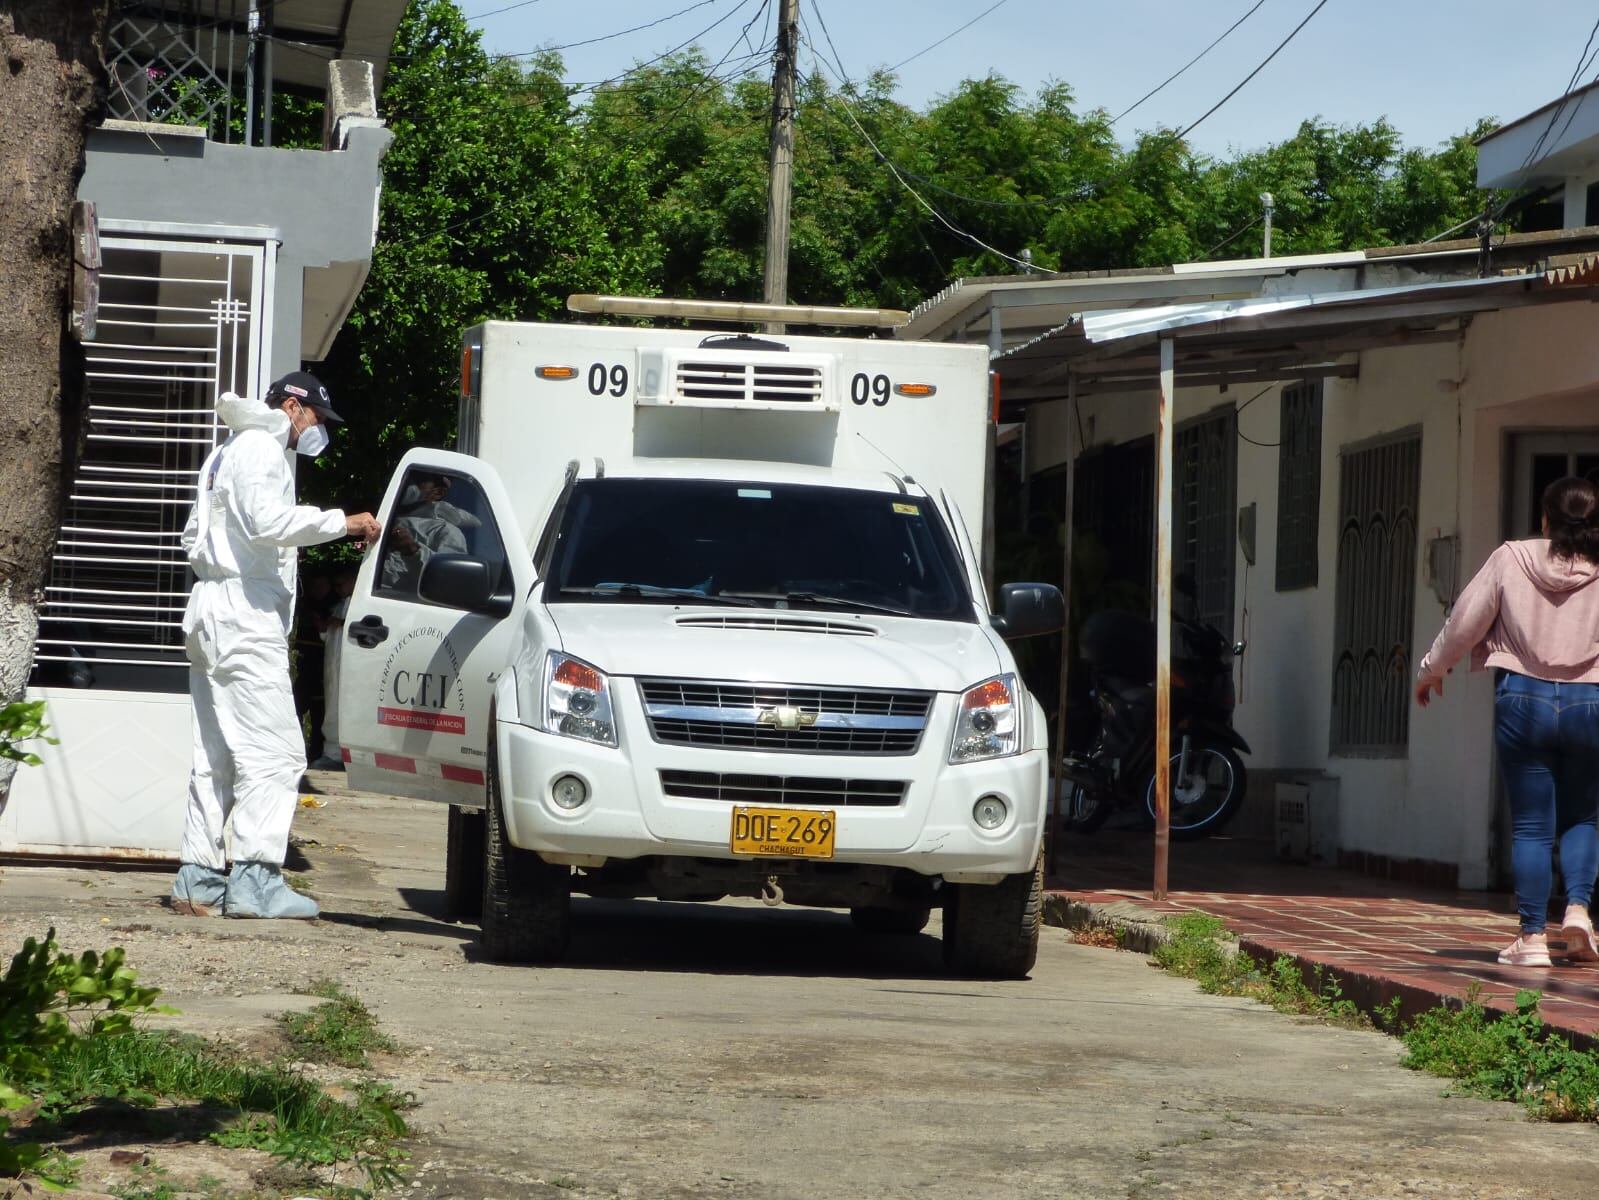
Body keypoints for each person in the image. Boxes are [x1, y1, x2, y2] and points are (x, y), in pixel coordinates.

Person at [170, 372, 380, 920]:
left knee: (214, 754)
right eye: (314, 418)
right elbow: (268, 523)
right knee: (279, 753)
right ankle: (256, 881)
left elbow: (193, 535)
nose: (316, 432)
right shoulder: (263, 447)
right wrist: (343, 521)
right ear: (292, 405)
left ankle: (198, 879)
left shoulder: (223, 453)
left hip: (210, 607)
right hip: (244, 617)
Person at [1415, 476, 1599, 967]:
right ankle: (1579, 910)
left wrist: (1432, 670)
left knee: (1534, 827)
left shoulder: (1512, 557)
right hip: (1591, 701)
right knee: (1584, 815)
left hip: (1524, 696)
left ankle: (1533, 937)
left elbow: (1464, 622)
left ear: (1545, 519)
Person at [311, 566, 358, 771]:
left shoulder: (360, 604)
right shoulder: (338, 606)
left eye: (341, 584)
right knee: (333, 709)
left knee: (351, 708)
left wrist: (341, 623)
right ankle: (332, 753)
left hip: (353, 668)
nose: (338, 589)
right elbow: (327, 635)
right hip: (333, 666)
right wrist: (324, 626)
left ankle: (350, 754)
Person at [293, 571, 332, 763]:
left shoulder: (332, 606)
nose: (318, 590)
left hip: (322, 664)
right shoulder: (304, 606)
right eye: (315, 586)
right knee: (296, 709)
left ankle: (316, 752)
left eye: (322, 586)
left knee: (319, 714)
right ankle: (295, 750)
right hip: (303, 662)